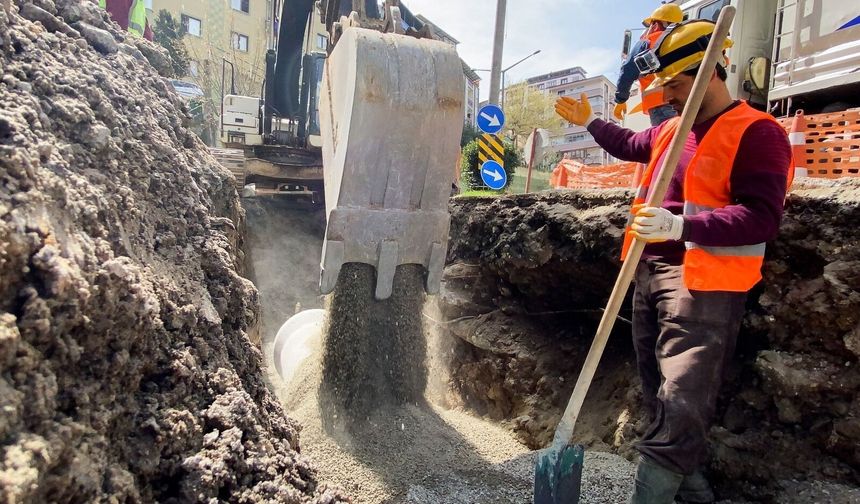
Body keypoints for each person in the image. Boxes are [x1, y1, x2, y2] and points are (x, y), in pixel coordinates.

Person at [555, 20, 793, 504]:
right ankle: (692, 490)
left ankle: (653, 493)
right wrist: (589, 122)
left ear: (711, 72)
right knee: (656, 388)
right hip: (647, 271)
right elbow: (628, 144)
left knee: (684, 393)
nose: (669, 95)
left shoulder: (758, 133)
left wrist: (682, 224)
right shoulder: (668, 130)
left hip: (704, 280)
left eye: (678, 84)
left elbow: (762, 216)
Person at [614, 4, 683, 127]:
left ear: (655, 24)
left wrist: (620, 99)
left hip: (660, 104)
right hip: (688, 100)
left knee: (667, 142)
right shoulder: (685, 41)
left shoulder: (647, 43)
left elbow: (628, 70)